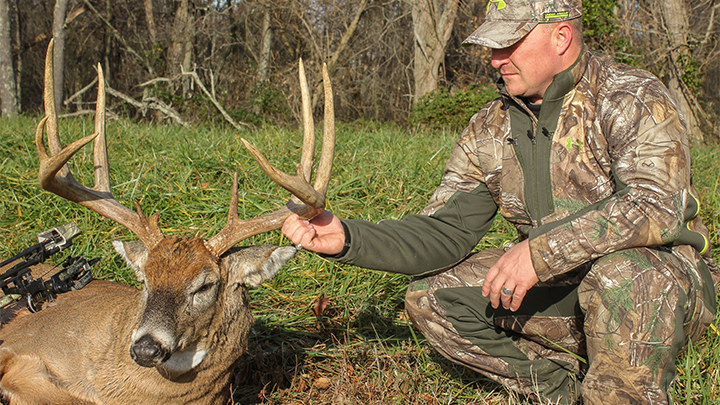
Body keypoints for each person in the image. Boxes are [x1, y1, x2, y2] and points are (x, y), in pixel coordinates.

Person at [282, 0, 719, 403]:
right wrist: (347, 237)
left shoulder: (630, 97)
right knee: (430, 295)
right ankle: (554, 386)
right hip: (563, 289)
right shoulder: (490, 126)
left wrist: (540, 252)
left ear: (561, 37)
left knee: (622, 273)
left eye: (508, 44)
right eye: (492, 46)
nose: (495, 59)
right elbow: (444, 231)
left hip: (658, 287)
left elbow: (656, 204)